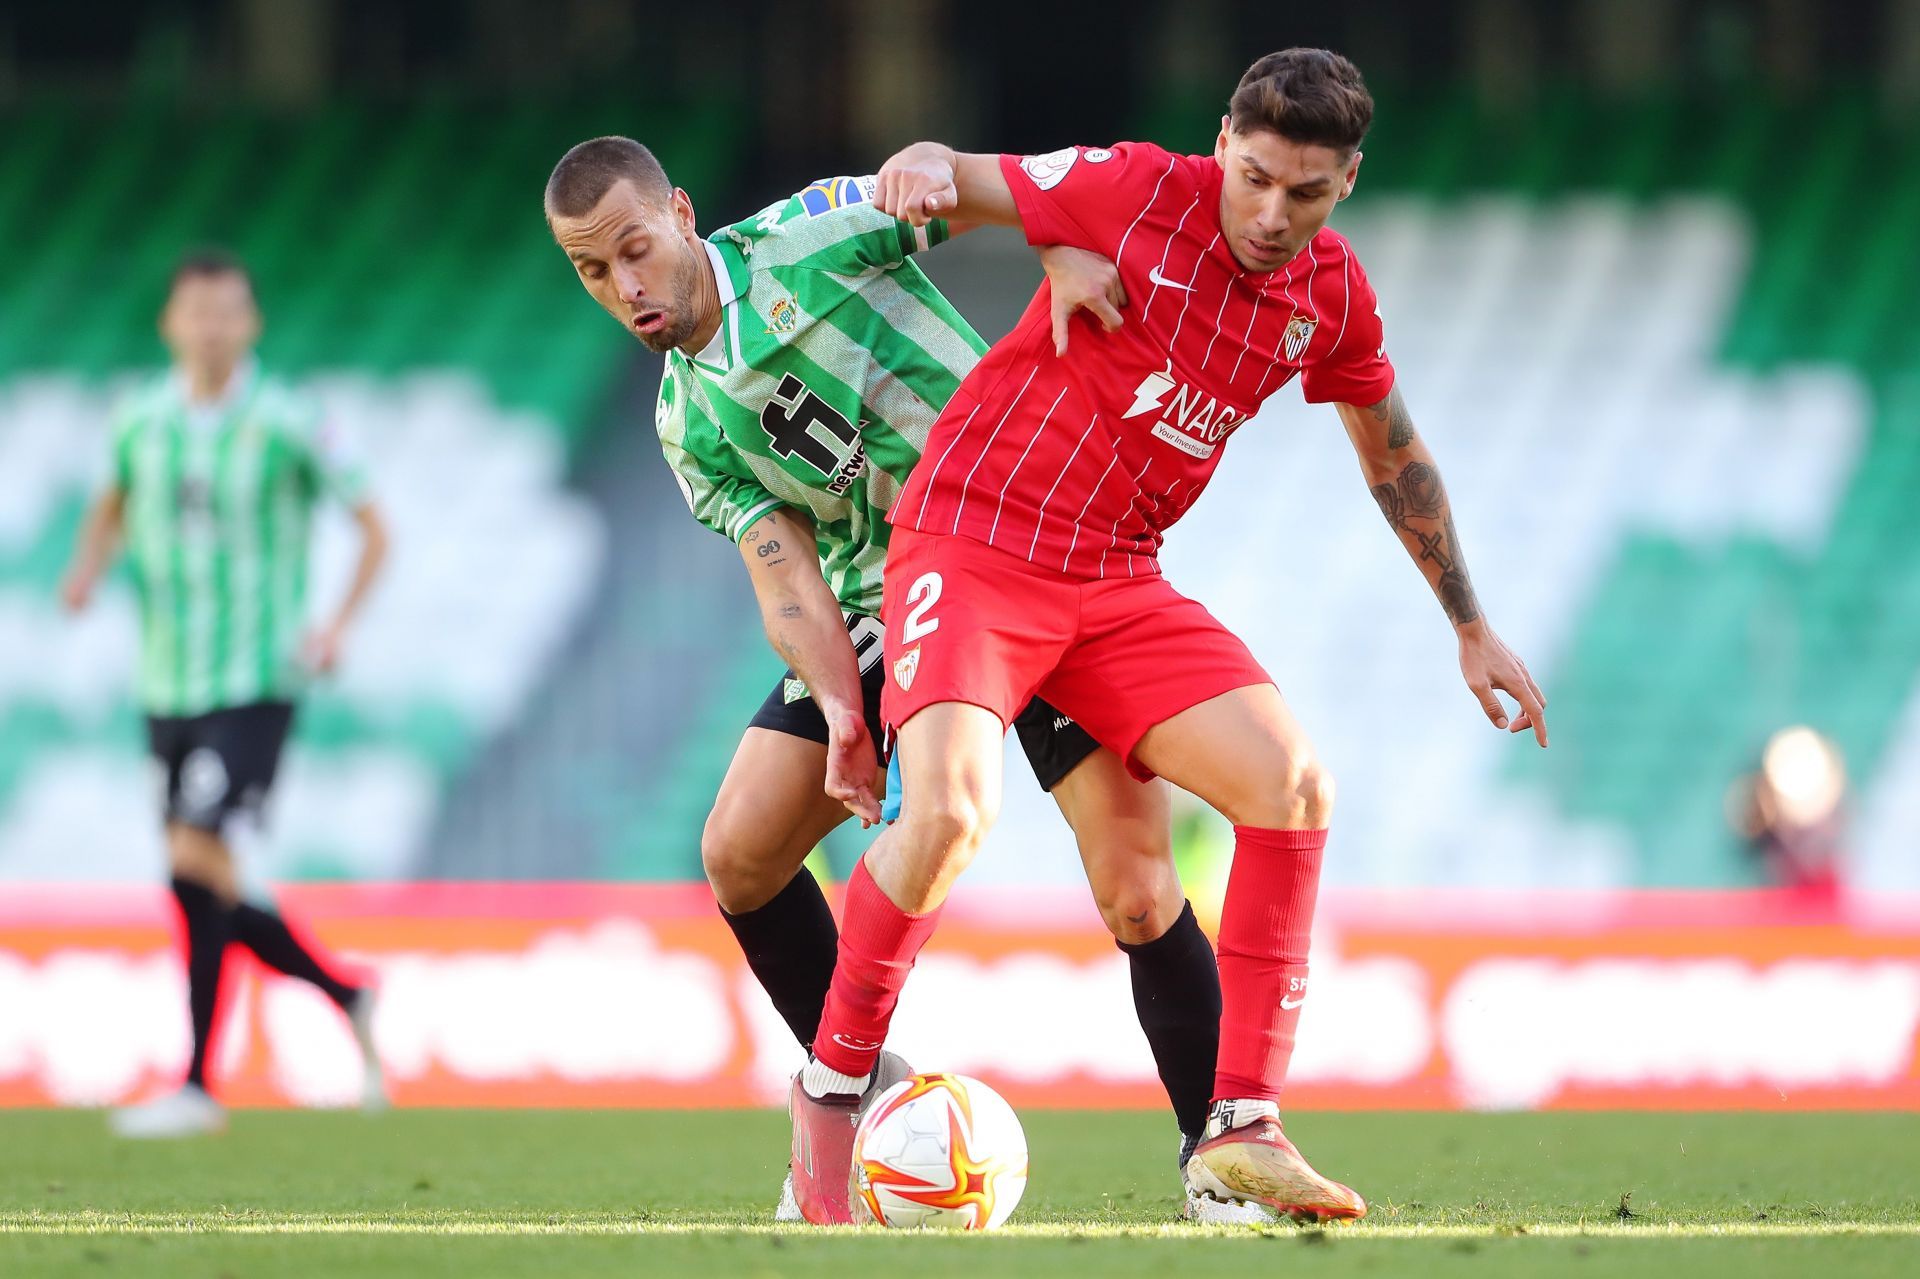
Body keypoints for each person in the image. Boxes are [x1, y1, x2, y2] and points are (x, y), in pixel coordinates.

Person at [791, 48, 1549, 1222]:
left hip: (1113, 581)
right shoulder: (1138, 185)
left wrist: (1470, 623)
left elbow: (1391, 450)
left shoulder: (1331, 296)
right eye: (1252, 178)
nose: (1268, 213)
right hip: (975, 540)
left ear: (1345, 182)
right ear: (1222, 147)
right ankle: (829, 1105)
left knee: (1289, 785)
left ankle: (1238, 1132)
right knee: (947, 812)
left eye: (1303, 194)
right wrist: (974, 199)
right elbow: (947, 169)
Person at [543, 139, 1258, 1223]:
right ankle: (868, 1102)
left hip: (1025, 544)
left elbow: (973, 191)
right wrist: (839, 706)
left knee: (1138, 882)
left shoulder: (805, 238)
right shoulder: (685, 421)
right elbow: (785, 583)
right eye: (594, 273)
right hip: (890, 607)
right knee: (739, 850)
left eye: (635, 250)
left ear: (683, 213)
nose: (625, 287)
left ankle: (1222, 1162)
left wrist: (1067, 244)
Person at [61, 250, 389, 1138]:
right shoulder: (141, 419)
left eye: (228, 312)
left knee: (199, 855)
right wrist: (86, 568)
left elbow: (372, 525)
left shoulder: (287, 420)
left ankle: (203, 1082)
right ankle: (341, 994)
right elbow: (112, 500)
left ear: (251, 324)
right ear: (171, 322)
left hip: (253, 678)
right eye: (195, 312)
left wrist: (334, 625)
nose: (210, 327)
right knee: (191, 876)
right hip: (165, 680)